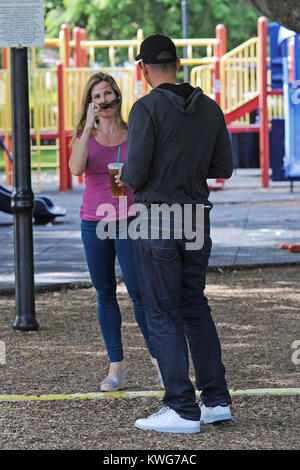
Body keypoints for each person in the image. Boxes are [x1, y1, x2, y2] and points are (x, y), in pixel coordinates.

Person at [118, 35, 234, 433]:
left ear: (143, 68)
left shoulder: (145, 108)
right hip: (197, 216)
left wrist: (127, 177)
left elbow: (133, 175)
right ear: (178, 65)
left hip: (158, 218)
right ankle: (215, 400)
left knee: (162, 311)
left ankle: (182, 408)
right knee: (194, 306)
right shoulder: (210, 107)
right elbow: (224, 166)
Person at [69, 72, 162, 392]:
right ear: (90, 102)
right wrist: (87, 129)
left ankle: (161, 363)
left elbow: (149, 172)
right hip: (93, 221)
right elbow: (76, 169)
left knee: (138, 292)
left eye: (108, 93)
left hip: (129, 219)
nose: (103, 100)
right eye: (96, 96)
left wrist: (131, 177)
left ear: (117, 97)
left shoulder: (132, 132)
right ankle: (116, 366)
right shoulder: (84, 134)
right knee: (105, 292)